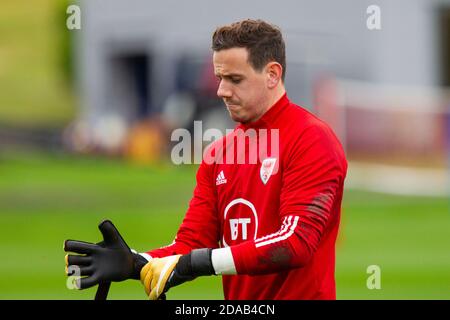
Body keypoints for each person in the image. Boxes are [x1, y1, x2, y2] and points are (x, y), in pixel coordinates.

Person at [64, 19, 348, 300]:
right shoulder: (219, 152)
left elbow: (295, 243)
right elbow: (192, 243)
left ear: (272, 74)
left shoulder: (311, 139)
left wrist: (199, 262)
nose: (221, 91)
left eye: (235, 79)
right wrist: (137, 262)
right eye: (220, 78)